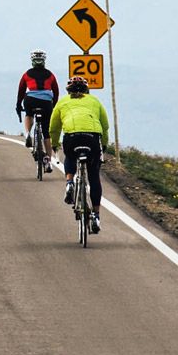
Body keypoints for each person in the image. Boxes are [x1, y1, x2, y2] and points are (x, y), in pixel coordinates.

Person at [49, 76, 109, 234]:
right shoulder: (94, 101)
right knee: (94, 176)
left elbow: (54, 127)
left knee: (70, 157)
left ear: (68, 90)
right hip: (92, 138)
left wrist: (54, 144)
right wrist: (104, 145)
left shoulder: (62, 102)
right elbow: (105, 125)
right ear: (86, 90)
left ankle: (69, 183)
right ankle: (96, 215)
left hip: (72, 137)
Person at [15, 49, 60, 173]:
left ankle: (28, 133)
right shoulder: (50, 75)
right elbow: (56, 91)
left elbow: (21, 91)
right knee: (46, 132)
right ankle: (49, 161)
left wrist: (18, 104)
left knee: (29, 114)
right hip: (46, 102)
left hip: (30, 99)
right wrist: (54, 105)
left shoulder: (26, 74)